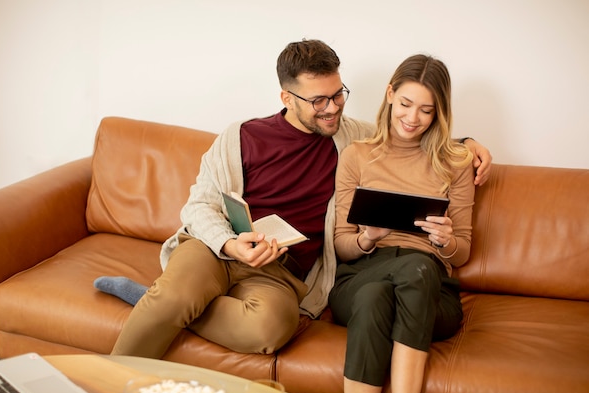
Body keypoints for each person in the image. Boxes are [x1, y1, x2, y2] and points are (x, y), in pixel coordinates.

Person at [95, 40, 492, 359]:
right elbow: (198, 206)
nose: (332, 108)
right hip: (218, 250)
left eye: (338, 95)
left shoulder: (350, 137)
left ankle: (155, 303)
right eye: (319, 101)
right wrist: (231, 243)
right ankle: (108, 384)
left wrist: (467, 143)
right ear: (287, 97)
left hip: (280, 272)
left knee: (270, 330)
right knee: (177, 293)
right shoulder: (241, 137)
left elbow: (407, 133)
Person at [328, 54, 475, 393]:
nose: (412, 119)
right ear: (390, 94)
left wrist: (445, 241)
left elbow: (463, 254)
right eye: (406, 104)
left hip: (430, 289)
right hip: (363, 273)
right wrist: (369, 237)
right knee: (377, 288)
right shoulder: (356, 156)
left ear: (439, 111)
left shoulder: (456, 162)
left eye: (426, 110)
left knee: (410, 275)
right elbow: (343, 247)